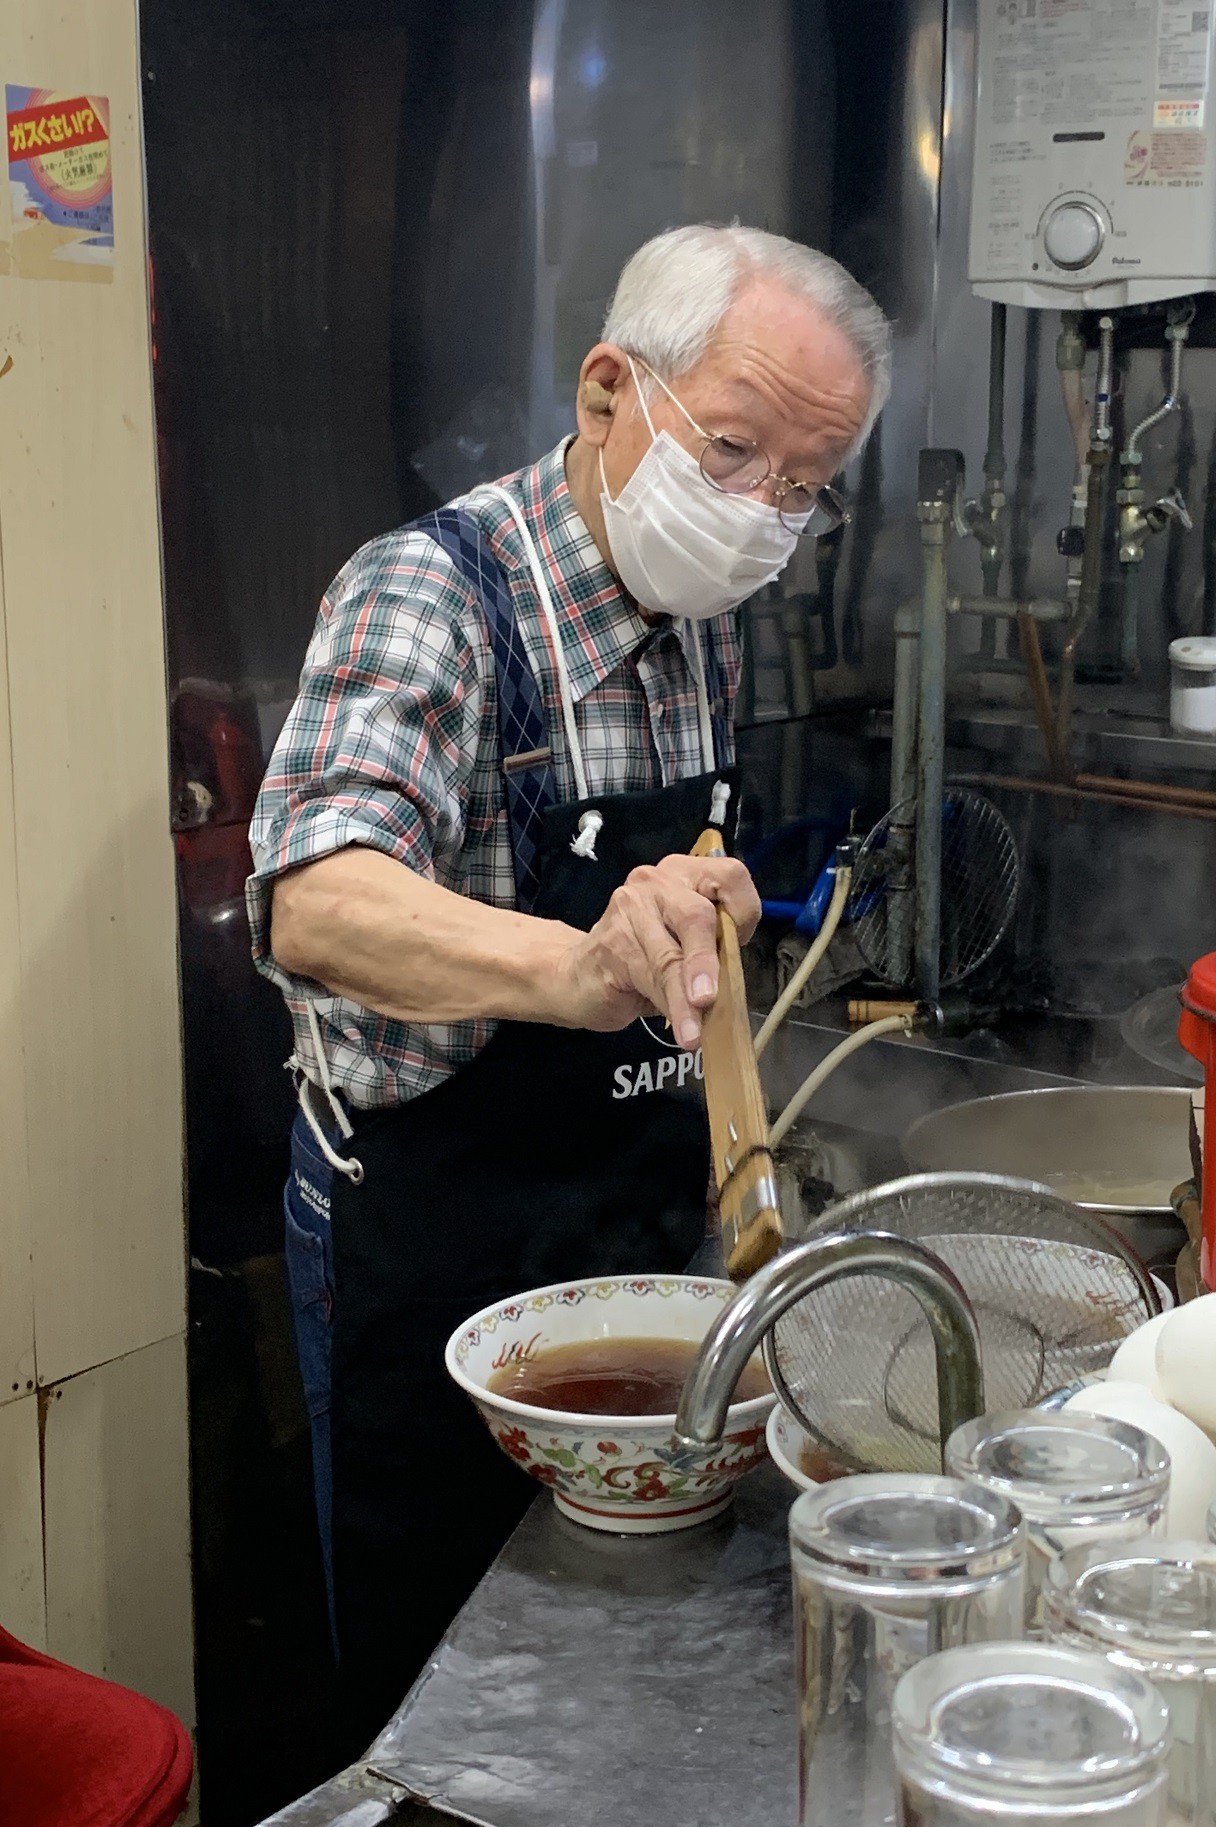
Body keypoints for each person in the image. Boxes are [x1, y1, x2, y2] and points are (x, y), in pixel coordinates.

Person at [248, 222, 891, 1740]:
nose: (758, 516)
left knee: (618, 1674)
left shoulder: (700, 622)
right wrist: (581, 955)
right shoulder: (434, 597)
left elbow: (677, 894)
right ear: (610, 390)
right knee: (442, 1679)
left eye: (801, 487)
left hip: (621, 1195)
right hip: (436, 1225)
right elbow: (313, 902)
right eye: (733, 451)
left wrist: (697, 916)